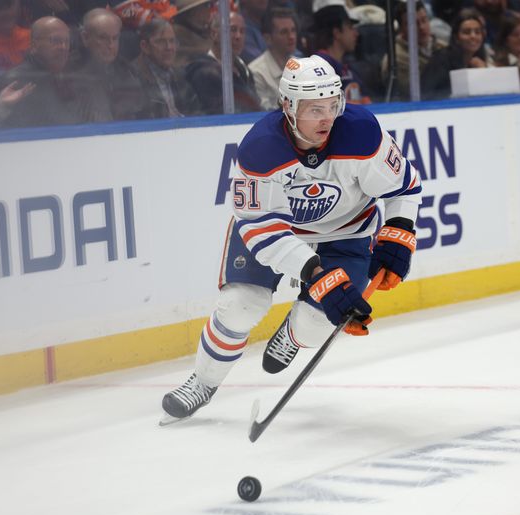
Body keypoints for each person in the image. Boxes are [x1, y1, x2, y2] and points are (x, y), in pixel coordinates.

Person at [160, 54, 422, 424]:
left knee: (317, 321)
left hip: (347, 232)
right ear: (288, 106)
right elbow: (262, 230)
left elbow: (404, 187)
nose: (328, 118)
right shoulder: (260, 149)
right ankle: (203, 382)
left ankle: (293, 334)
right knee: (241, 305)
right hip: (278, 235)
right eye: (315, 109)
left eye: (333, 105)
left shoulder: (361, 132)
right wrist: (316, 275)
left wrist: (398, 234)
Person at [0, 16, 83, 128]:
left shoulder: (73, 74)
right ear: (34, 45)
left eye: (67, 41)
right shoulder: (18, 80)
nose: (63, 47)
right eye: (55, 41)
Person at [73, 8, 145, 122]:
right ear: (85, 38)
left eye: (115, 38)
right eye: (103, 38)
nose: (111, 45)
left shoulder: (128, 71)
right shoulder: (69, 73)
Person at [185, 11, 261, 114]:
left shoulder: (245, 71)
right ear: (214, 34)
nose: (238, 36)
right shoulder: (203, 73)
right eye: (232, 30)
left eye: (242, 31)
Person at [420, 8, 490, 100]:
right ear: (456, 37)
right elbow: (428, 94)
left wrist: (484, 73)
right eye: (466, 32)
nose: (473, 36)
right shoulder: (441, 60)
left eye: (477, 32)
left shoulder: (480, 60)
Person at [133, 18, 194, 118]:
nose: (169, 47)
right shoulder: (131, 76)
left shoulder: (180, 74)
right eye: (161, 41)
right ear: (145, 46)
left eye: (172, 41)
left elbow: (196, 111)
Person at [312, 3, 372, 104]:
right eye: (350, 27)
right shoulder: (319, 68)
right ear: (337, 33)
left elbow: (368, 104)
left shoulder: (348, 69)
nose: (356, 33)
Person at [382, 0, 440, 101]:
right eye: (414, 23)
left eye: (424, 20)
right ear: (401, 28)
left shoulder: (441, 46)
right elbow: (413, 93)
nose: (421, 27)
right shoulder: (395, 59)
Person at [248, 7, 298, 110]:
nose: (291, 36)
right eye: (284, 32)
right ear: (268, 39)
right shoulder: (256, 72)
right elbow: (263, 112)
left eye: (293, 30)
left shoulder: (302, 66)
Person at [171, 0, 215, 67]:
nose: (209, 11)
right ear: (194, 12)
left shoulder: (203, 33)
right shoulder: (177, 34)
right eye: (207, 6)